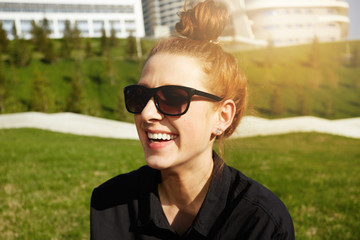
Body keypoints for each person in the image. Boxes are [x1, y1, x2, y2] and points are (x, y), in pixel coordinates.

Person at [90, 0, 294, 239]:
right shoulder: (111, 204)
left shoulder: (261, 223)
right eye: (139, 96)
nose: (146, 113)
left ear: (222, 116)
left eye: (173, 98)